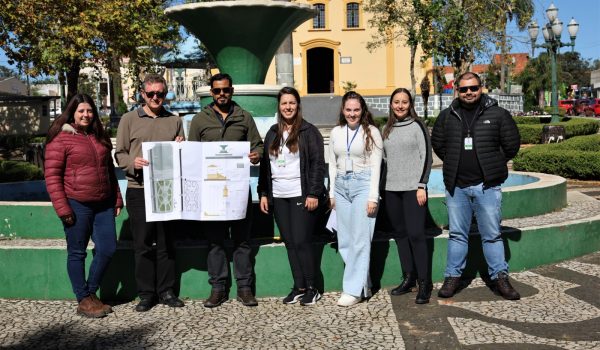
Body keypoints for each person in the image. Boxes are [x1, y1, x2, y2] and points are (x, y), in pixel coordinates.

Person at [431, 72, 521, 300]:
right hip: (457, 187)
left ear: (481, 88)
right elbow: (439, 144)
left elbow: (511, 144)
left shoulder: (498, 114)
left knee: (491, 234)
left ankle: (500, 278)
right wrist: (454, 162)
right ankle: (452, 277)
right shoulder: (447, 116)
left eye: (473, 88)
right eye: (463, 89)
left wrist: (493, 162)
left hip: (487, 186)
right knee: (457, 235)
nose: (468, 92)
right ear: (456, 90)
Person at [188, 73, 264, 308]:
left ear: (232, 91)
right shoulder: (200, 120)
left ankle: (244, 288)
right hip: (211, 192)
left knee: (242, 241)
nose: (222, 94)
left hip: (238, 191)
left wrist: (256, 155)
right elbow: (192, 153)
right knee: (215, 243)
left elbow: (258, 145)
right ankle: (218, 288)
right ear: (211, 93)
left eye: (226, 90)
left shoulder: (244, 117)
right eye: (217, 91)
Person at [45, 93, 123, 318]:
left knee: (107, 248)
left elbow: (109, 171)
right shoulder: (60, 139)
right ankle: (84, 299)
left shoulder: (99, 136)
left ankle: (89, 293)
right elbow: (52, 176)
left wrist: (117, 197)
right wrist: (63, 208)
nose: (86, 115)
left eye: (89, 111)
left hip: (103, 204)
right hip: (76, 203)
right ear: (72, 113)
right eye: (81, 111)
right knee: (77, 253)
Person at [115, 74, 185, 312]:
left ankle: (166, 291)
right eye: (151, 94)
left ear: (166, 95)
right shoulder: (128, 119)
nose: (156, 98)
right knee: (143, 243)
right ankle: (146, 294)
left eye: (160, 94)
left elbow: (181, 155)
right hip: (139, 189)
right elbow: (120, 154)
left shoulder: (174, 121)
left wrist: (181, 146)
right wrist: (132, 162)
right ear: (142, 94)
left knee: (167, 243)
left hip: (166, 189)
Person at [257, 87, 326, 306]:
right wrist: (264, 193)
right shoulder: (272, 132)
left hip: (300, 194)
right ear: (279, 106)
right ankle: (299, 286)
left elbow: (317, 165)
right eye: (284, 103)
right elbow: (265, 167)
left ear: (298, 106)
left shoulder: (308, 132)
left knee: (302, 241)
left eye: (292, 103)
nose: (288, 107)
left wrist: (314, 192)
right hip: (279, 196)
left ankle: (312, 287)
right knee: (289, 242)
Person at [328, 91, 383, 307]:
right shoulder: (336, 132)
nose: (352, 114)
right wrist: (332, 192)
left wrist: (373, 197)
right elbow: (332, 163)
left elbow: (376, 166)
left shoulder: (372, 133)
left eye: (356, 110)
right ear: (343, 110)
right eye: (348, 110)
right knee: (345, 240)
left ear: (363, 111)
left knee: (360, 239)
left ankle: (352, 290)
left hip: (363, 184)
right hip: (341, 185)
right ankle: (363, 283)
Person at [381, 88, 433, 304]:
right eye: (396, 102)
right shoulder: (386, 128)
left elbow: (427, 156)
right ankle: (409, 278)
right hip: (392, 190)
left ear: (410, 104)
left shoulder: (417, 126)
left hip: (414, 189)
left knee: (416, 235)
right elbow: (383, 160)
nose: (400, 106)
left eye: (404, 102)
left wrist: (422, 185)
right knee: (401, 235)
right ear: (391, 104)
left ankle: (424, 282)